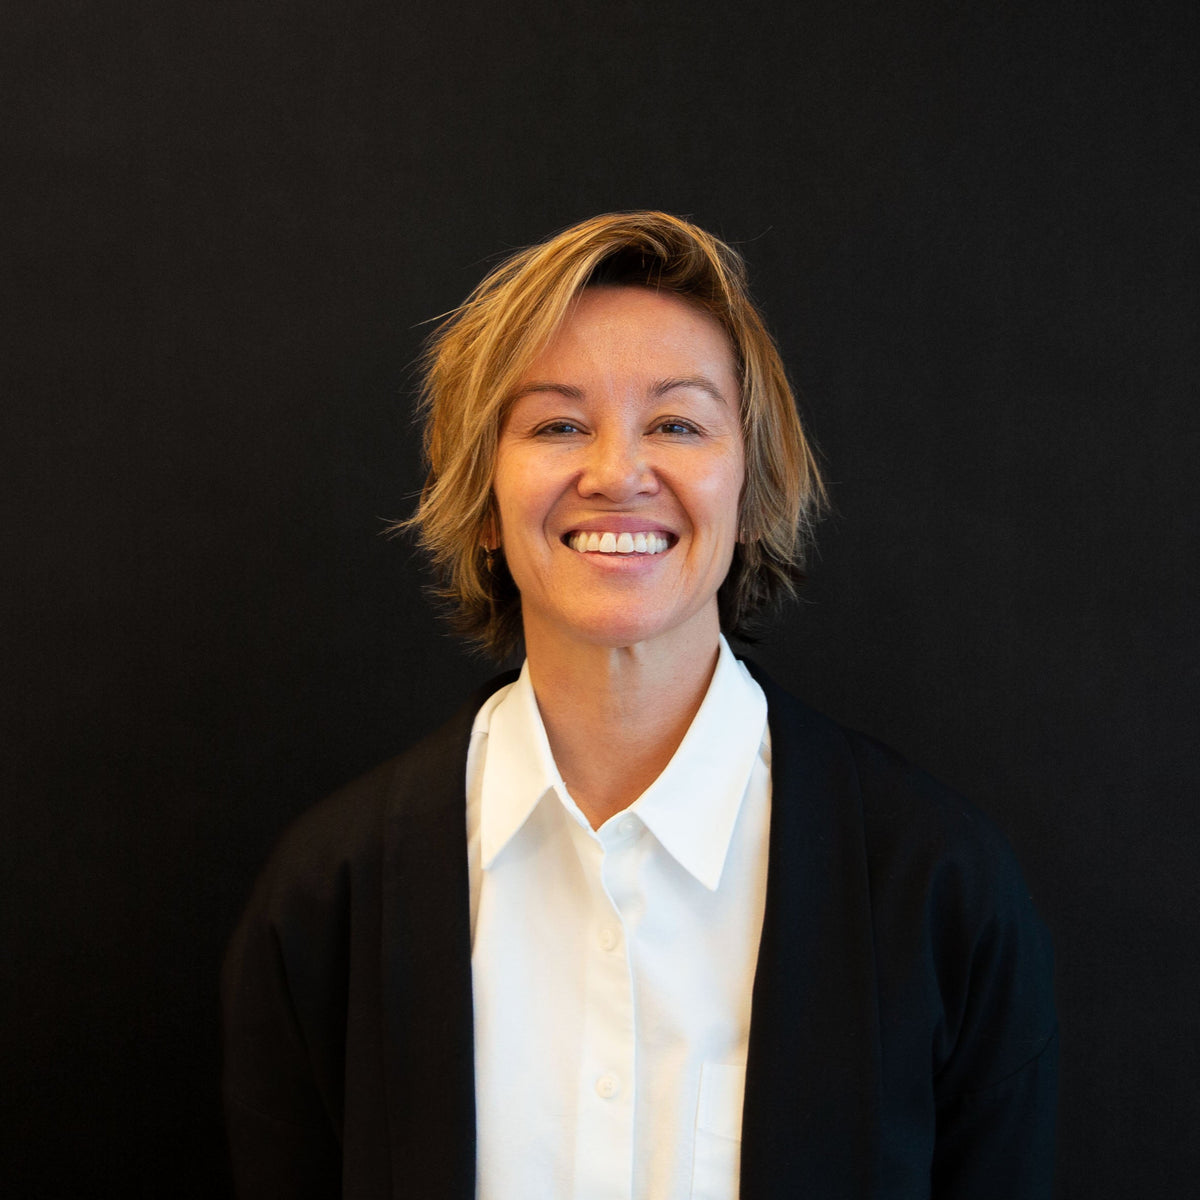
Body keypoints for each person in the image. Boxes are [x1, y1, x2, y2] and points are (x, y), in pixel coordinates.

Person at [222, 212, 1057, 1199]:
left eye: (676, 423)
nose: (617, 474)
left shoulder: (941, 892)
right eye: (558, 423)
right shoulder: (328, 900)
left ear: (748, 492)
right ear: (484, 500)